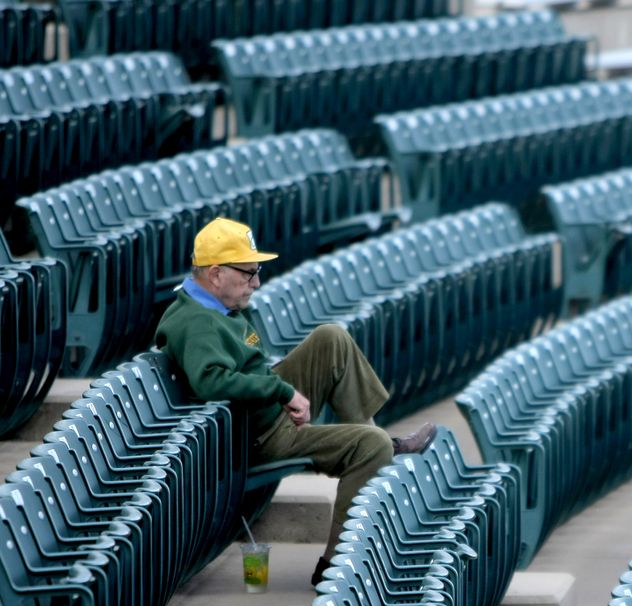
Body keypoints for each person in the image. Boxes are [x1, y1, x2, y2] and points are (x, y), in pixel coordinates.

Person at [154, 217, 436, 585]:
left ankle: (376, 442)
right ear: (216, 274)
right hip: (260, 434)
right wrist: (283, 392)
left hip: (261, 406)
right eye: (249, 274)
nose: (256, 282)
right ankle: (334, 567)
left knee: (330, 338)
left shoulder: (215, 305)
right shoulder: (198, 323)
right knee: (371, 447)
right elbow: (212, 381)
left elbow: (247, 357)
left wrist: (277, 386)